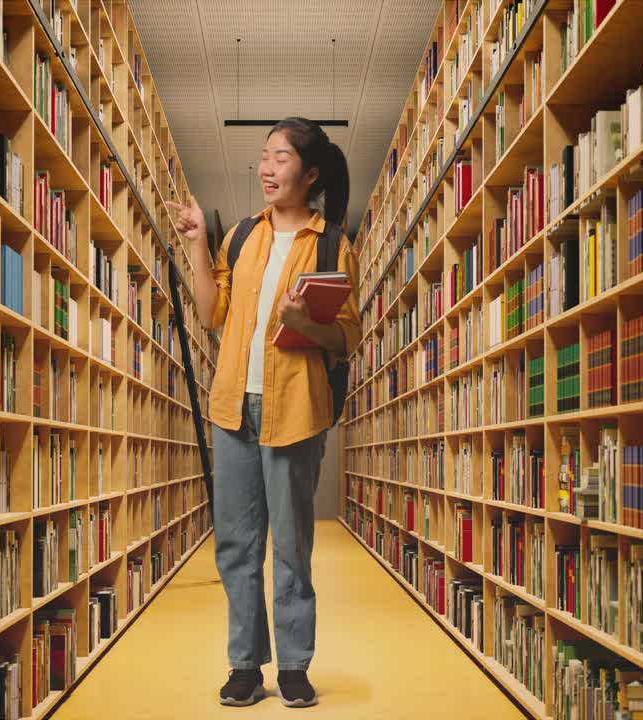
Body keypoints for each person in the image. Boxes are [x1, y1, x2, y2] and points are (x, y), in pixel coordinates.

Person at [165, 117, 361, 708]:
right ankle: (245, 665)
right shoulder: (242, 235)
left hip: (295, 407)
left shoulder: (331, 245)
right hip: (232, 408)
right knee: (236, 545)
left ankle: (295, 666)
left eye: (280, 157)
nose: (266, 168)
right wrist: (197, 244)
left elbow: (347, 337)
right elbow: (211, 314)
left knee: (292, 544)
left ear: (310, 173)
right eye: (264, 156)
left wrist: (304, 323)